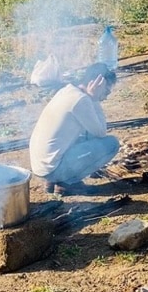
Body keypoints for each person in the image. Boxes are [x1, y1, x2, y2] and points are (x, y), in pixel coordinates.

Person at [29, 62, 119, 196]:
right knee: (110, 144)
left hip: (42, 165)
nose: (106, 95)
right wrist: (95, 99)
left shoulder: (68, 90)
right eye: (106, 90)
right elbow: (101, 132)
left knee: (85, 137)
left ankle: (54, 181)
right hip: (51, 168)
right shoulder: (81, 100)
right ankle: (67, 183)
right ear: (95, 83)